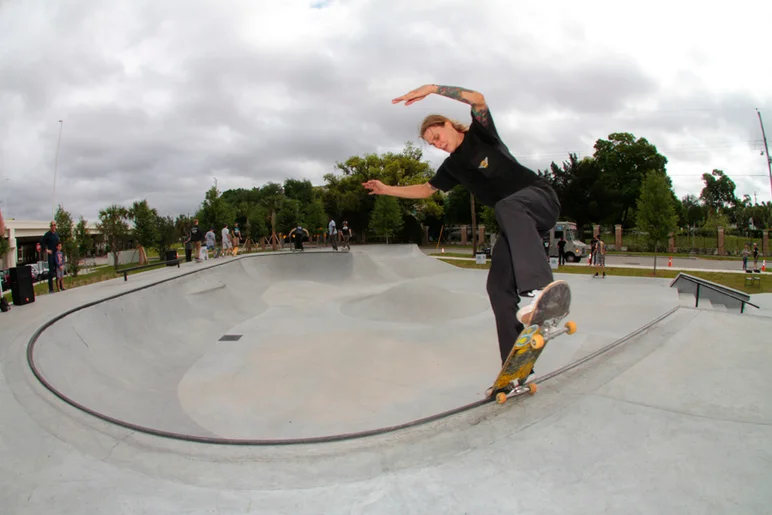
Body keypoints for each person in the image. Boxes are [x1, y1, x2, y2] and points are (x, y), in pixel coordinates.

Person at [363, 83, 561, 389]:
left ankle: (540, 290)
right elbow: (426, 190)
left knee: (506, 206)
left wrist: (431, 88)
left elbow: (478, 99)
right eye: (432, 143)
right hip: (516, 223)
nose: (438, 144)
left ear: (447, 124)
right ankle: (518, 369)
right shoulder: (452, 168)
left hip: (539, 199)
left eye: (437, 136)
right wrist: (386, 189)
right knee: (497, 288)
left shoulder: (480, 134)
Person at [39, 221, 60, 293]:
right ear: (50, 226)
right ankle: (51, 289)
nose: (54, 226)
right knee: (51, 272)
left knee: (58, 271)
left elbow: (59, 243)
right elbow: (41, 242)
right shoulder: (47, 234)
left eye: (55, 225)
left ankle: (59, 287)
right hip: (51, 254)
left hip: (57, 254)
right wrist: (46, 250)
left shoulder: (57, 234)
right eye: (52, 225)